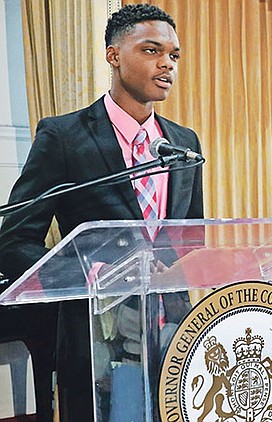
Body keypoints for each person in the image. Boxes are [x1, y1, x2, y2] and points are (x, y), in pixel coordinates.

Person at [0, 4, 203, 420]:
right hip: (94, 338)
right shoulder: (64, 136)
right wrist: (81, 279)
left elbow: (189, 237)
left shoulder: (184, 144)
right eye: (151, 50)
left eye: (174, 55)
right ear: (114, 55)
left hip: (174, 335)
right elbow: (14, 239)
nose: (167, 64)